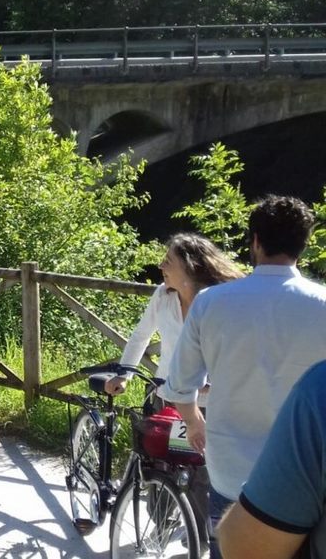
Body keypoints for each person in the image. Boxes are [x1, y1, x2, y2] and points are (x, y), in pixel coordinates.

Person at [163, 195, 326, 559]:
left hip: (230, 470)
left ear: (254, 241)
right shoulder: (323, 304)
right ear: (303, 243)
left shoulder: (211, 302)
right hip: (306, 478)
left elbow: (179, 384)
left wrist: (193, 423)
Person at [105, 232, 243, 548]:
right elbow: (141, 336)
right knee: (158, 463)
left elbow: (236, 347)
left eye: (168, 260)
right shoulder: (162, 296)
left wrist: (217, 377)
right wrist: (124, 373)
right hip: (167, 396)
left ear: (189, 266)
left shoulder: (221, 298)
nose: (161, 265)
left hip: (208, 402)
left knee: (202, 472)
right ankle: (167, 518)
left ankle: (200, 536)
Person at [216, 359, 326, 559]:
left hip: (237, 472)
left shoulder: (320, 386)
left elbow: (246, 550)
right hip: (275, 483)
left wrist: (190, 421)